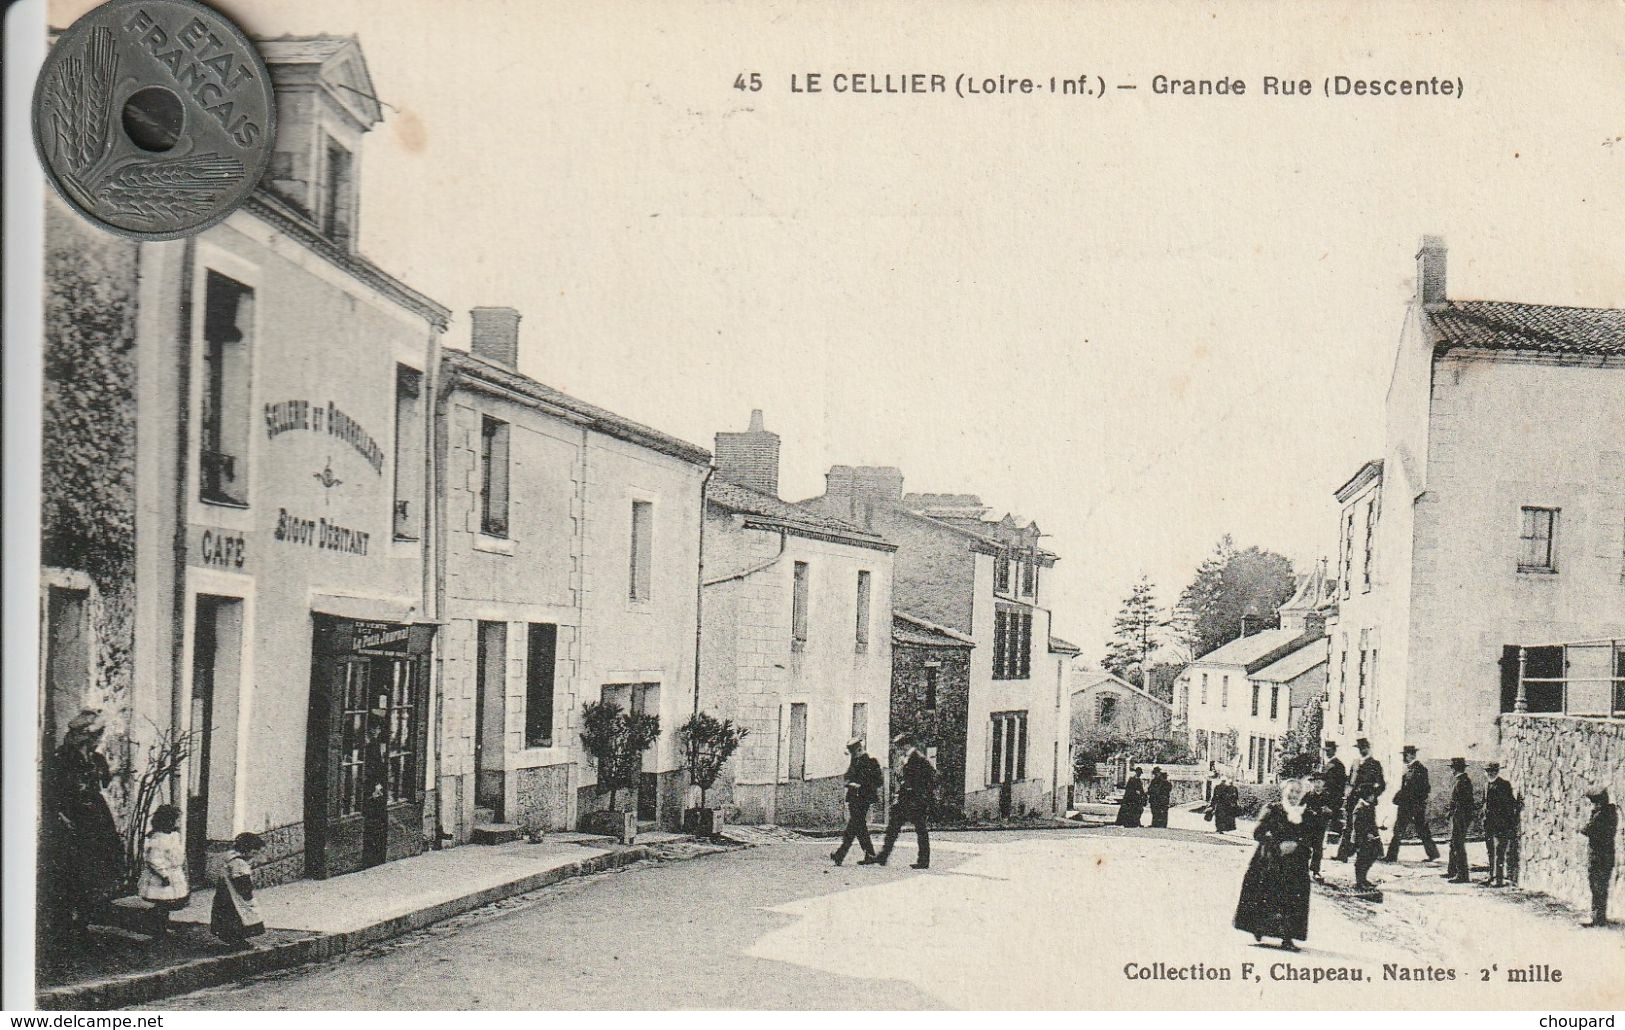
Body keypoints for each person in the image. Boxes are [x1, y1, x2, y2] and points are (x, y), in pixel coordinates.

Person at [41, 709, 125, 945]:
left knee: (96, 869)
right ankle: (64, 924)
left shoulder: (96, 759)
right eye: (96, 735)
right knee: (70, 871)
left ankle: (83, 923)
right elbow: (51, 791)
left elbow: (104, 782)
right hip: (71, 817)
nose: (97, 740)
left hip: (95, 819)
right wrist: (60, 815)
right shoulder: (62, 759)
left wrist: (114, 765)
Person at [1233, 778, 1313, 950]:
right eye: (1291, 791)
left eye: (1298, 792)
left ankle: (1288, 937)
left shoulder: (1305, 814)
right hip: (1270, 860)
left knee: (1292, 899)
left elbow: (1311, 838)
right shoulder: (1273, 809)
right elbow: (1258, 832)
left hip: (1295, 863)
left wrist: (1298, 845)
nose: (1293, 795)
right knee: (1267, 894)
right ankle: (1258, 927)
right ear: (1284, 791)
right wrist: (1278, 844)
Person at [875, 737, 934, 869]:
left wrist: (919, 793)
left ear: (906, 745)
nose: (899, 750)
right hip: (906, 800)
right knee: (894, 827)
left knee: (920, 830)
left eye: (899, 747)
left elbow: (929, 778)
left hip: (915, 801)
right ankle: (883, 856)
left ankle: (923, 861)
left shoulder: (918, 758)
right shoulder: (909, 758)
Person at [137, 804, 189, 937]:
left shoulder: (173, 836)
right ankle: (157, 928)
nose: (179, 823)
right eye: (177, 819)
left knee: (167, 904)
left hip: (173, 872)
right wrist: (164, 875)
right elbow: (154, 860)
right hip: (161, 876)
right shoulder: (158, 838)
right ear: (168, 820)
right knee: (162, 903)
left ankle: (162, 925)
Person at [830, 737, 883, 866]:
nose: (854, 755)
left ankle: (840, 855)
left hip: (864, 799)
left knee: (853, 827)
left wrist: (861, 785)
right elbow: (847, 776)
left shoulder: (872, 762)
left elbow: (878, 782)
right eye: (853, 753)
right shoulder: (854, 762)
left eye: (856, 752)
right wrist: (849, 782)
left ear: (860, 749)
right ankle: (870, 854)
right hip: (853, 798)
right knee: (859, 827)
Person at [210, 832, 266, 947]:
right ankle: (237, 940)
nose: (254, 856)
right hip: (234, 895)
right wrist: (248, 895)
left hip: (225, 893)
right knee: (239, 916)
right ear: (248, 850)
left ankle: (233, 939)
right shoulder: (239, 863)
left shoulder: (230, 857)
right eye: (255, 853)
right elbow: (242, 881)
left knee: (228, 916)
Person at [1385, 744, 1439, 863]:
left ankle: (1432, 854)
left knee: (1419, 830)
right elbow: (1406, 788)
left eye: (1405, 755)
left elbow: (1424, 789)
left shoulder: (1420, 769)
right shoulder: (1409, 769)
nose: (1404, 757)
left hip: (1413, 806)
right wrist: (1399, 797)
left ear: (1411, 755)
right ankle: (1391, 856)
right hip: (1406, 805)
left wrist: (1416, 802)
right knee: (1401, 830)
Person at [1337, 737, 1384, 861]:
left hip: (1366, 799)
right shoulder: (1355, 762)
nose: (1362, 750)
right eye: (1359, 748)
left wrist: (1373, 795)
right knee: (1348, 825)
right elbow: (1349, 780)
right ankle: (1343, 854)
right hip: (1352, 799)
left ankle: (1378, 851)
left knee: (1370, 825)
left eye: (1364, 747)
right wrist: (1346, 793)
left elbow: (1381, 784)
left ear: (1368, 748)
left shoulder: (1375, 764)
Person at [1580, 787, 1617, 928]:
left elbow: (1587, 829)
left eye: (1593, 801)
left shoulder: (1601, 814)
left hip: (1598, 856)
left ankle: (1598, 918)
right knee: (1601, 886)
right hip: (1606, 855)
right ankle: (1599, 917)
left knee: (1596, 886)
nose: (1592, 804)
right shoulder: (1611, 813)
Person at [1481, 761, 1516, 887]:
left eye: (1492, 771)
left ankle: (1499, 879)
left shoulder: (1504, 785)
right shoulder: (1486, 785)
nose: (1490, 773)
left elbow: (1510, 805)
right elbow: (1484, 803)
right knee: (1490, 851)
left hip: (1501, 824)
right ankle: (1491, 876)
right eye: (1487, 771)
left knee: (1499, 852)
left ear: (1497, 772)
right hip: (1488, 824)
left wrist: (1508, 823)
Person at [1442, 757, 1474, 883]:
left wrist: (1455, 812)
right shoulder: (1459, 780)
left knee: (1458, 844)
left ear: (1455, 768)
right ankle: (1452, 871)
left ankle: (1462, 875)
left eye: (1452, 768)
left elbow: (1463, 802)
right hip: (1457, 816)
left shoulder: (1463, 781)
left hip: (1460, 817)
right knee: (1453, 843)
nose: (1452, 770)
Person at [1349, 781, 1384, 891]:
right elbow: (1357, 825)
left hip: (1371, 838)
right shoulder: (1360, 808)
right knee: (1362, 860)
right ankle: (1360, 881)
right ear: (1367, 796)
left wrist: (1377, 829)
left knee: (1372, 856)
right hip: (1362, 839)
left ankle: (1363, 879)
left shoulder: (1369, 807)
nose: (1373, 797)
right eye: (1372, 795)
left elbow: (1370, 823)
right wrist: (1366, 834)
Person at [1301, 772, 1332, 881]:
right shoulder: (1308, 795)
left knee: (1317, 849)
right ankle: (1303, 870)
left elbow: (1333, 812)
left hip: (1320, 827)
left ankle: (1315, 870)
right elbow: (1300, 808)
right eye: (1315, 782)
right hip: (1308, 826)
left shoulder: (1327, 796)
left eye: (1319, 782)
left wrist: (1328, 811)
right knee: (1305, 848)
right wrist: (1308, 811)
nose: (1317, 784)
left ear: (1323, 783)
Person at [1320, 741, 1348, 847]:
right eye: (1326, 751)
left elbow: (1340, 784)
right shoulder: (1326, 764)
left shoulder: (1338, 765)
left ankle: (1338, 845)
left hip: (1333, 798)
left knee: (1333, 821)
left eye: (1329, 750)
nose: (1327, 753)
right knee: (1326, 822)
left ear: (1334, 750)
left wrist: (1336, 798)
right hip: (1325, 797)